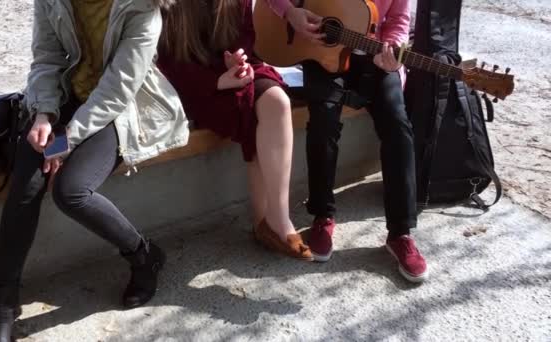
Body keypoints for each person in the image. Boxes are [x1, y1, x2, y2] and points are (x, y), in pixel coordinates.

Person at [0, 0, 188, 341]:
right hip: (66, 97)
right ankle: (2, 305)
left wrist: (67, 140)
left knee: (71, 190)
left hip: (119, 108)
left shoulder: (143, 8)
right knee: (27, 180)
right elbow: (46, 58)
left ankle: (144, 256)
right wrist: (44, 114)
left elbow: (118, 90)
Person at [266, 0, 429, 282]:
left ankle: (400, 233)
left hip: (375, 61)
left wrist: (392, 47)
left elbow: (399, 19)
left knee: (398, 126)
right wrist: (290, 12)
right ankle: (322, 217)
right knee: (323, 122)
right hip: (322, 54)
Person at [157, 0, 313, 261]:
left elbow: (244, 37)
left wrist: (236, 61)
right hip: (194, 85)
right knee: (249, 111)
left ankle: (277, 216)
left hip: (232, 73)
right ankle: (266, 225)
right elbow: (166, 61)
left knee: (277, 101)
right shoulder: (168, 4)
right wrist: (217, 80)